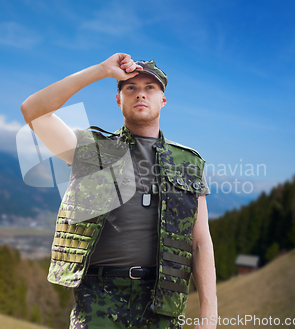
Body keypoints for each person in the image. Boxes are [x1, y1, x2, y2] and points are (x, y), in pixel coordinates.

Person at [21, 53, 217, 329]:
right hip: (99, 302)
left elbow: (200, 242)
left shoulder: (189, 162)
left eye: (150, 88)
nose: (140, 95)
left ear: (162, 100)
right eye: (131, 88)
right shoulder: (91, 149)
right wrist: (102, 70)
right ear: (118, 99)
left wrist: (209, 314)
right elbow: (33, 111)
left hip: (162, 305)